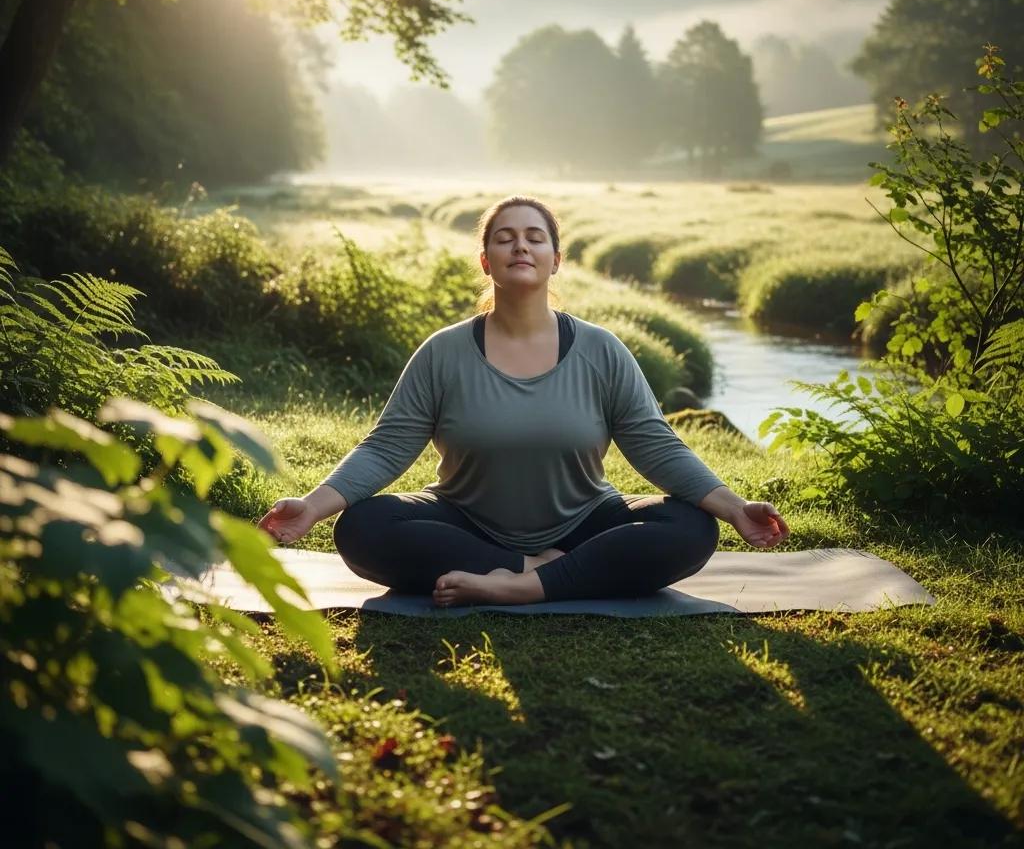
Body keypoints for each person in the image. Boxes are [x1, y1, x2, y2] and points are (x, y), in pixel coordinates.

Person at [257, 195, 790, 607]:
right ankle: (537, 569)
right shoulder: (443, 352)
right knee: (362, 527)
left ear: (555, 260)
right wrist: (312, 507)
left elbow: (655, 445)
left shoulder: (602, 350)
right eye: (505, 238)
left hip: (585, 519)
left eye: (535, 238)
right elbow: (386, 447)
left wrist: (735, 508)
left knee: (692, 528)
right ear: (486, 261)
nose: (520, 247)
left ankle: (516, 586)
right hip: (463, 521)